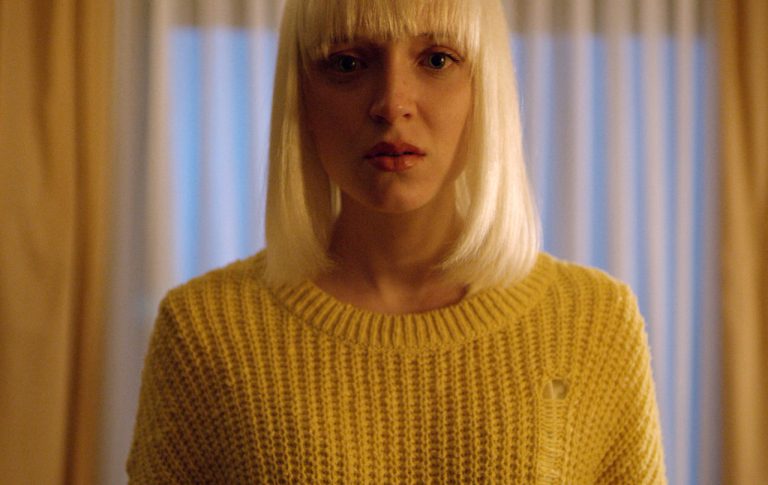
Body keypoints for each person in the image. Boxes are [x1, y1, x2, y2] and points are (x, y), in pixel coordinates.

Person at [127, 0, 667, 483]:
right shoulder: (204, 330)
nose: (392, 103)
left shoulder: (595, 323)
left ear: (485, 87)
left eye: (437, 59)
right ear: (302, 95)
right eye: (347, 63)